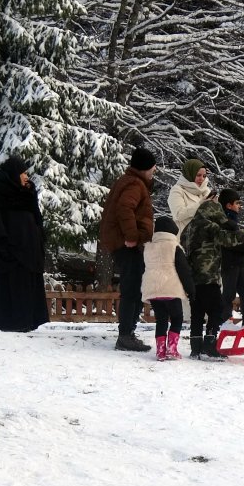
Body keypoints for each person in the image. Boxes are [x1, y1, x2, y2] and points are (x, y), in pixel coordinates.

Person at [0, 156, 49, 332]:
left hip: (28, 253)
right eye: (22, 172)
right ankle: (6, 323)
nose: (26, 176)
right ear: (14, 173)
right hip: (8, 253)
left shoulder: (26, 191)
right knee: (6, 289)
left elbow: (36, 217)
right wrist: (4, 245)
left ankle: (25, 323)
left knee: (24, 290)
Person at [99, 147, 156, 352]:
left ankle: (128, 333)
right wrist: (132, 237)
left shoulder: (131, 181)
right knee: (132, 289)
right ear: (144, 168)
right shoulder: (135, 184)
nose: (154, 171)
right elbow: (125, 208)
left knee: (136, 287)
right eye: (152, 167)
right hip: (127, 245)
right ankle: (125, 335)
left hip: (124, 243)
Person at [184, 200, 244, 360]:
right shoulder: (208, 225)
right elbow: (226, 239)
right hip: (208, 275)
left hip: (193, 277)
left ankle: (195, 347)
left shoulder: (190, 226)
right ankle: (210, 344)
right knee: (217, 309)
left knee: (197, 312)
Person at [141, 216, 195, 361]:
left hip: (153, 290)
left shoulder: (148, 247)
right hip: (171, 289)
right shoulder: (174, 247)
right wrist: (190, 290)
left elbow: (143, 267)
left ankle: (160, 352)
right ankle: (172, 349)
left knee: (161, 320)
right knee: (177, 318)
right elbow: (183, 270)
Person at [218, 189, 244, 328]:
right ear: (229, 205)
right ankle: (224, 320)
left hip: (237, 261)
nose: (239, 206)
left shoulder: (232, 218)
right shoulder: (225, 220)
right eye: (237, 203)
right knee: (229, 293)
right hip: (229, 262)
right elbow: (229, 243)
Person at [168, 158, 211, 240]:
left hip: (204, 239)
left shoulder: (205, 190)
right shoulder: (177, 190)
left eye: (204, 176)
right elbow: (178, 214)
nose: (201, 178)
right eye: (198, 175)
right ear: (189, 174)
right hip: (186, 239)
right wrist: (199, 204)